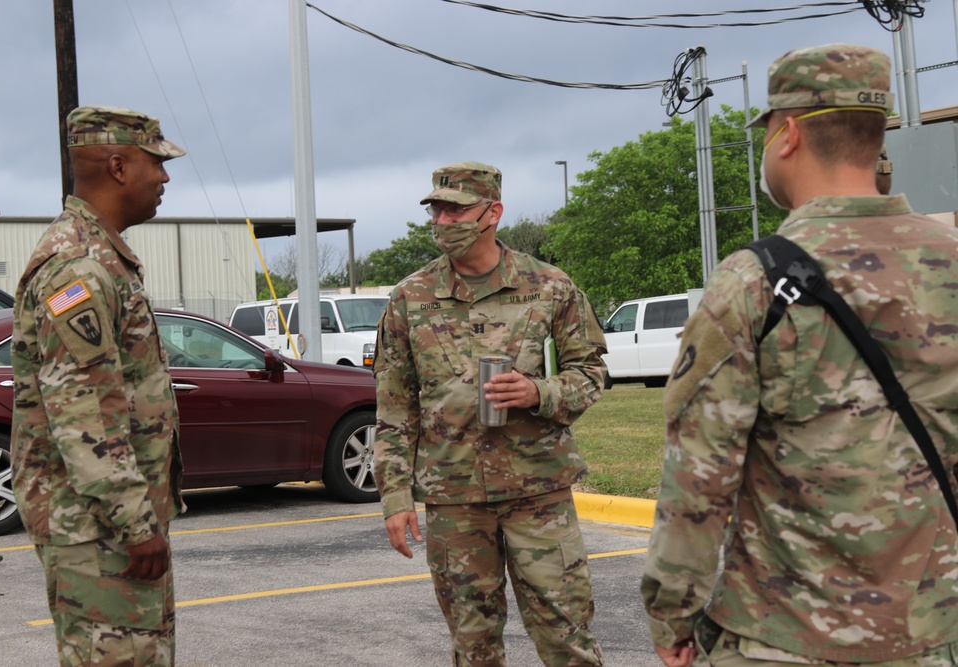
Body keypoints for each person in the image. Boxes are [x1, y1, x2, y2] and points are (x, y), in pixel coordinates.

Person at [642, 43, 958, 667]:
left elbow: (699, 476)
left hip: (782, 636)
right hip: (933, 631)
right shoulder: (950, 259)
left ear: (786, 135)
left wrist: (673, 614)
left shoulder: (751, 282)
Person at [373, 161, 608, 666]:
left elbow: (590, 374)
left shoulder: (549, 286)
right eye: (436, 209)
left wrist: (538, 392)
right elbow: (395, 405)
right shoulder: (410, 298)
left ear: (492, 213)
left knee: (568, 639)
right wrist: (395, 496)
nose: (442, 221)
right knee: (473, 645)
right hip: (453, 501)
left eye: (455, 210)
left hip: (537, 494)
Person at [11, 105, 187, 667]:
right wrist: (137, 525)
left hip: (103, 525)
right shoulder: (80, 268)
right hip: (100, 530)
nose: (164, 177)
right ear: (118, 166)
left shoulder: (100, 256)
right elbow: (86, 414)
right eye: (155, 163)